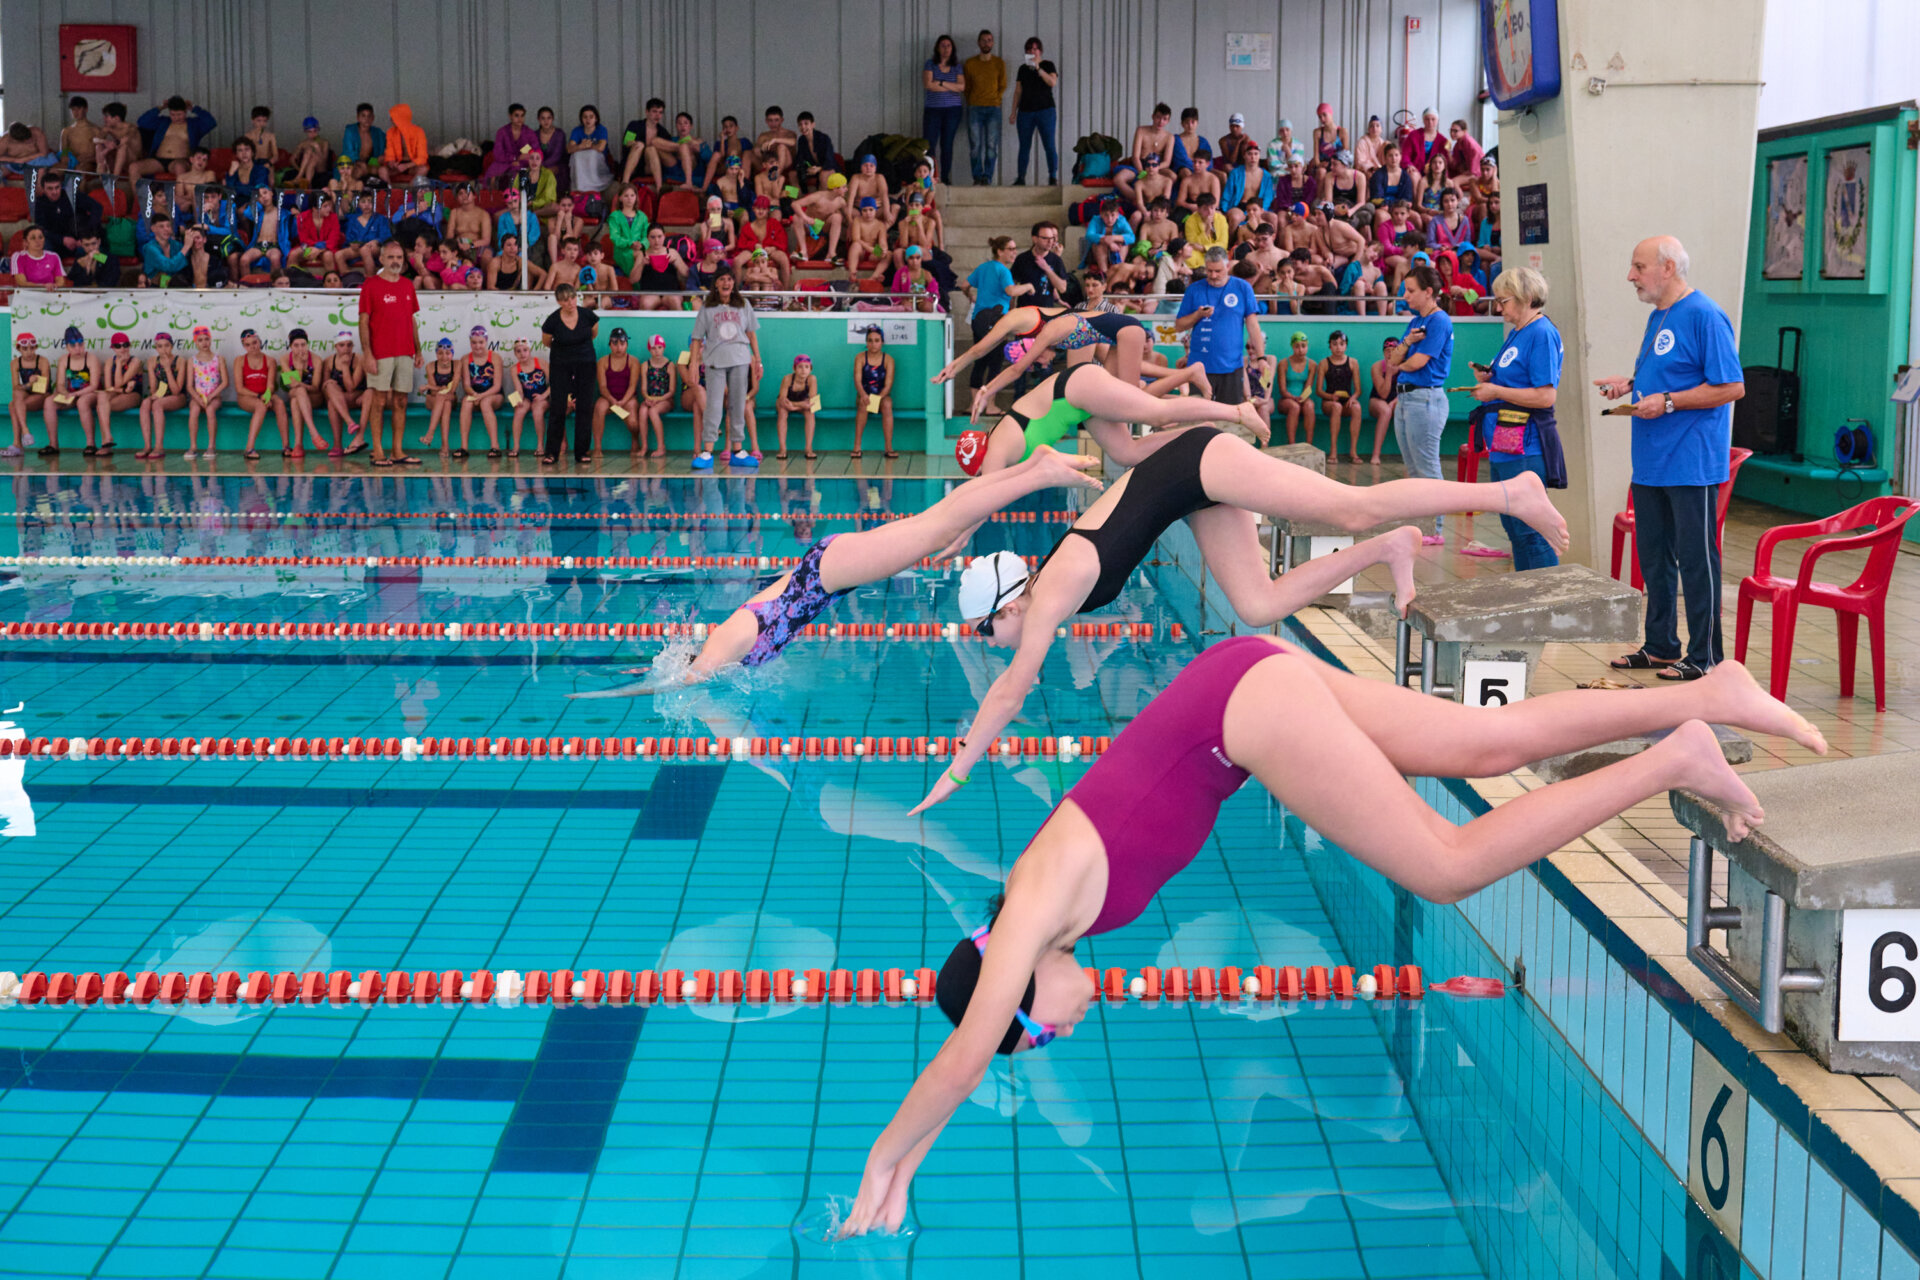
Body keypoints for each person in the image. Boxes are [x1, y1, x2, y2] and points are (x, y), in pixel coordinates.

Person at [839, 642, 1822, 1240]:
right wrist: (910, 1157)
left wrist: (890, 1160)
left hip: (1241, 716)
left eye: (1039, 1035)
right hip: (1238, 692)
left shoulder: (1028, 912)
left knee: (1445, 861)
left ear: (1017, 996)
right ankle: (1713, 694)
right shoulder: (1050, 913)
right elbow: (981, 1039)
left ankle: (1674, 756)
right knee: (1486, 743)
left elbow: (968, 1051)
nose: (1060, 1030)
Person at [926, 410, 1570, 815]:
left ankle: (1509, 491)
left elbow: (1013, 691)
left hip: (1201, 463)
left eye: (987, 631)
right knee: (1257, 603)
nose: (991, 643)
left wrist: (955, 773)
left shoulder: (1052, 592)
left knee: (1350, 505)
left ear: (1007, 606)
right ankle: (1388, 548)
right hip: (1188, 486)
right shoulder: (1047, 589)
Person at [583, 448, 1102, 695]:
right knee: (938, 526)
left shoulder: (723, 642)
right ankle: (1034, 467)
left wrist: (613, 694)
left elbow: (684, 681)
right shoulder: (730, 650)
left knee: (940, 525)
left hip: (826, 572)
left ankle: (1039, 474)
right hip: (829, 574)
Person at [1596, 236, 1745, 681]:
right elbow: (1666, 374)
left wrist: (1670, 402)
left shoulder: (1704, 315)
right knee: (1655, 557)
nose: (1630, 276)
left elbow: (1730, 386)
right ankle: (1661, 644)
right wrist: (1631, 384)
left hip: (1690, 461)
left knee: (1697, 559)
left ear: (1668, 267)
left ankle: (1706, 655)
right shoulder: (1659, 315)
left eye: (1639, 267)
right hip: (1651, 460)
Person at [1465, 267, 1565, 571]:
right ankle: (1528, 598)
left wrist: (1496, 389)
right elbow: (1514, 379)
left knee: (1529, 531)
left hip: (1527, 445)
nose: (1498, 308)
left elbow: (1546, 396)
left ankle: (1546, 601)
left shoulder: (1541, 333)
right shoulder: (1518, 333)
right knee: (1514, 529)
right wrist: (1491, 377)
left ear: (1527, 298)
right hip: (1505, 442)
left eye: (1503, 301)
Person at [1384, 264, 1453, 542]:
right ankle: (1420, 524)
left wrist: (1403, 358)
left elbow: (1415, 362)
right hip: (1406, 398)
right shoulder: (1415, 323)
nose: (1406, 296)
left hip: (1425, 398)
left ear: (1428, 292)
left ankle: (1435, 528)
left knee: (1427, 466)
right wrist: (1405, 349)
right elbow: (1393, 361)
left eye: (1411, 291)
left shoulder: (1439, 321)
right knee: (1413, 468)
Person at [357, 240, 424, 467]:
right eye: (391, 257)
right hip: (380, 352)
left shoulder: (407, 285)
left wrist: (418, 349)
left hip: (404, 351)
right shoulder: (371, 285)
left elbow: (411, 320)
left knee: (401, 401)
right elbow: (363, 321)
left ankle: (397, 451)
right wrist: (368, 353)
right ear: (382, 259)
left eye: (399, 258)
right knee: (379, 400)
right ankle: (377, 450)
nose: (395, 261)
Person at [686, 270, 760, 469]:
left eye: (729, 279)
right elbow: (696, 338)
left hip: (740, 360)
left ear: (734, 283)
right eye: (722, 279)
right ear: (716, 284)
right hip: (714, 362)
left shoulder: (744, 305)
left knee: (738, 404)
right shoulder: (707, 308)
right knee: (714, 406)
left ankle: (738, 450)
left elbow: (751, 335)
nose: (726, 283)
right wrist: (694, 363)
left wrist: (758, 361)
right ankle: (707, 451)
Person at [1173, 246, 1263, 406]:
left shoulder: (1242, 288)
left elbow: (1253, 325)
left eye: (1218, 271)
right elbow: (1179, 326)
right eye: (1209, 271)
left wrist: (1262, 357)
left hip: (1231, 367)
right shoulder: (1194, 289)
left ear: (1228, 267)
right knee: (1200, 421)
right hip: (1199, 368)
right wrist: (1198, 315)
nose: (1213, 276)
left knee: (1228, 420)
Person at [538, 282, 599, 466]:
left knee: (584, 407)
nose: (571, 302)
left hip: (586, 363)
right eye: (566, 300)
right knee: (557, 407)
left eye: (573, 298)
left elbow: (593, 334)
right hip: (560, 365)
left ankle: (582, 452)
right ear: (559, 302)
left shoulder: (588, 316)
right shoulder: (552, 321)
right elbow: (547, 341)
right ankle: (552, 453)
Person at [964, 236, 1031, 396]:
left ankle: (973, 403)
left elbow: (965, 285)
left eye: (1015, 249)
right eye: (1011, 249)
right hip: (995, 320)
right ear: (1000, 251)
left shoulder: (984, 267)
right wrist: (1028, 286)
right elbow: (1011, 291)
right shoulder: (1003, 270)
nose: (1015, 252)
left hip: (978, 319)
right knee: (995, 362)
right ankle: (990, 404)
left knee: (979, 360)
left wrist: (970, 297)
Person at [226, 327, 286, 460]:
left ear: (260, 342)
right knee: (260, 406)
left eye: (255, 343)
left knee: (280, 403)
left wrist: (267, 395)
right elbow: (239, 388)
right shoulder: (239, 361)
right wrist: (261, 397)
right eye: (248, 345)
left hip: (265, 394)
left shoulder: (270, 360)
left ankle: (286, 447)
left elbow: (270, 385)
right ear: (244, 346)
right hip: (247, 397)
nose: (252, 347)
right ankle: (249, 448)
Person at [43, 327, 102, 456]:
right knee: (49, 401)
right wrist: (65, 393)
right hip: (72, 394)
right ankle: (53, 444)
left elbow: (94, 385)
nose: (78, 349)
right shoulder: (64, 360)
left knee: (82, 402)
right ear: (67, 347)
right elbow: (59, 384)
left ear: (84, 344)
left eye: (80, 344)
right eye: (73, 345)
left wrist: (75, 394)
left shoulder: (91, 359)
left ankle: (91, 444)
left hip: (90, 394)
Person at [920, 35, 967, 185]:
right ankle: (930, 176)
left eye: (948, 46)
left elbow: (961, 87)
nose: (946, 49)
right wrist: (949, 85)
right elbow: (928, 84)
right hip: (933, 110)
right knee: (930, 144)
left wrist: (940, 82)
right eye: (943, 45)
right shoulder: (930, 64)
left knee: (947, 144)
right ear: (937, 48)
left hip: (952, 111)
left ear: (952, 48)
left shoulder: (957, 66)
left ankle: (945, 177)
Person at [1011, 38, 1058, 186]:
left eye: (1035, 49)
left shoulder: (1048, 65)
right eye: (1029, 49)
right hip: (1025, 112)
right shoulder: (1022, 69)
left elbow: (1052, 82)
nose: (1032, 52)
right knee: (1024, 145)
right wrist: (1013, 111)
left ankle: (1052, 176)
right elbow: (1018, 91)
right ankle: (1021, 177)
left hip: (1046, 111)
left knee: (1049, 144)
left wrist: (1038, 68)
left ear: (1040, 51)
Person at [962, 30, 1005, 186]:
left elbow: (1003, 84)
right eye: (983, 40)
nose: (987, 43)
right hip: (974, 108)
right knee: (975, 145)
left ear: (992, 43)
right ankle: (977, 176)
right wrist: (972, 100)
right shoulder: (970, 63)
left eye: (989, 40)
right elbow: (966, 87)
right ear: (978, 43)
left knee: (991, 146)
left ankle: (987, 176)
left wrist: (996, 99)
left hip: (993, 108)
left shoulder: (999, 63)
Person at [135, 332, 187, 460]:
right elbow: (153, 388)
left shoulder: (179, 361)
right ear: (156, 348)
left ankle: (159, 446)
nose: (163, 349)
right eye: (160, 346)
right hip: (161, 395)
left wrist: (168, 369)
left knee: (157, 404)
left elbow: (176, 390)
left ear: (172, 346)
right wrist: (155, 395)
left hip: (178, 397)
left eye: (167, 346)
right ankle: (147, 446)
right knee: (146, 403)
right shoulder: (152, 361)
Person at [181, 325, 227, 461]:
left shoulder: (219, 359)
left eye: (206, 339)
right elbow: (189, 386)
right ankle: (193, 446)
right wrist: (199, 399)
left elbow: (225, 382)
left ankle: (211, 445)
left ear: (211, 340)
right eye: (200, 340)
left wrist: (211, 396)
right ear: (195, 342)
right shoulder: (192, 360)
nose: (204, 343)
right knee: (194, 410)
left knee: (210, 410)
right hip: (197, 396)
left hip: (214, 396)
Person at [92, 332, 143, 453]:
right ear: (113, 348)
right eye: (118, 346)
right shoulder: (110, 361)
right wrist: (123, 390)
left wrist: (119, 365)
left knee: (101, 407)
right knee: (102, 396)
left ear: (129, 346)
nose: (123, 349)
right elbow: (110, 387)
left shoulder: (135, 362)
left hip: (133, 395)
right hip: (121, 392)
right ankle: (108, 438)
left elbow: (118, 383)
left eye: (125, 345)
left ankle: (106, 444)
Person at [594, 327, 641, 455]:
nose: (618, 347)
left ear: (627, 344)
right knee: (599, 406)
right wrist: (612, 400)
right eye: (615, 344)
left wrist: (621, 402)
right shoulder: (603, 362)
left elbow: (632, 386)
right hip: (609, 399)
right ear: (610, 345)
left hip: (627, 399)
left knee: (632, 423)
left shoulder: (633, 361)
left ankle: (635, 439)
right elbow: (602, 387)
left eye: (622, 344)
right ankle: (597, 448)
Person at [1318, 329, 1364, 463]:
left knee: (1357, 407)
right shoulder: (1324, 363)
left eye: (1342, 344)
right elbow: (1319, 391)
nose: (1338, 347)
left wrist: (1353, 398)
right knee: (1336, 406)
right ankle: (1333, 451)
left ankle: (1353, 451)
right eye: (1335, 344)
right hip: (1329, 402)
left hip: (1347, 401)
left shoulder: (1353, 362)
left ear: (1346, 345)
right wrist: (1330, 396)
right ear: (1330, 346)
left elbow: (1358, 390)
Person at [321, 332, 369, 456]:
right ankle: (347, 429)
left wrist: (345, 366)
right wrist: (330, 385)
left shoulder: (359, 359)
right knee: (330, 389)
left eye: (349, 345)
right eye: (342, 345)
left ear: (353, 346)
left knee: (333, 399)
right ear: (336, 346)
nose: (346, 349)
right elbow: (323, 388)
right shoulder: (328, 361)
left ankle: (348, 436)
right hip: (338, 399)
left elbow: (350, 388)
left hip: (355, 397)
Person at [851, 326, 896, 459]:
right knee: (864, 404)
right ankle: (857, 446)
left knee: (887, 404)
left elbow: (888, 385)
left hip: (882, 397)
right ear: (866, 342)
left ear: (882, 342)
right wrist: (864, 395)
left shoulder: (888, 360)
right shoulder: (860, 358)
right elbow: (857, 381)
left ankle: (888, 447)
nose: (873, 344)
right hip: (864, 396)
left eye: (877, 340)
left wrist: (878, 398)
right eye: (870, 340)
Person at [5, 334, 50, 458]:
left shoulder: (42, 361)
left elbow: (44, 388)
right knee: (16, 397)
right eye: (25, 349)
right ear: (19, 349)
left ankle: (18, 444)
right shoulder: (15, 363)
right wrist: (29, 383)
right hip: (26, 392)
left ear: (35, 348)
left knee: (13, 405)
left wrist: (34, 383)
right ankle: (25, 431)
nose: (29, 352)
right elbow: (16, 386)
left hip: (42, 394)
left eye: (32, 348)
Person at [506, 337, 552, 456]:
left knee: (537, 411)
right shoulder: (515, 369)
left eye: (525, 350)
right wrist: (518, 400)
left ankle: (540, 445)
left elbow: (555, 384)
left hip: (543, 396)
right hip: (527, 397)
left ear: (530, 350)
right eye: (518, 351)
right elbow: (519, 389)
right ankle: (516, 446)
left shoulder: (541, 363)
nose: (522, 354)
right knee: (519, 411)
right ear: (515, 353)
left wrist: (543, 396)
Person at [32, 171, 93, 255]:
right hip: (56, 243)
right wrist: (62, 240)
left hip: (77, 242)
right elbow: (41, 230)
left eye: (57, 187)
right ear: (43, 189)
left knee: (98, 256)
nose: (54, 192)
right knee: (44, 245)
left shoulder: (73, 199)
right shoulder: (40, 203)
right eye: (50, 188)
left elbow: (86, 221)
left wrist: (84, 239)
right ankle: (48, 267)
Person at [1275, 331, 1317, 447]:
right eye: (1297, 346)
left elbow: (1308, 387)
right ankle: (1292, 445)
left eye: (1303, 346)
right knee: (1294, 407)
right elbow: (1282, 390)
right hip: (1286, 399)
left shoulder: (1312, 365)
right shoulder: (1283, 364)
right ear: (1292, 347)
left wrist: (1302, 398)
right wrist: (1293, 397)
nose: (1300, 350)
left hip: (1302, 398)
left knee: (1309, 405)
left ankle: (1309, 444)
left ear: (1307, 347)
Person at [638, 334, 677, 458]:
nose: (657, 351)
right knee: (643, 410)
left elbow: (671, 391)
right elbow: (643, 389)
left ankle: (661, 447)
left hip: (666, 400)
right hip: (650, 399)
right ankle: (644, 446)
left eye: (660, 347)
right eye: (654, 348)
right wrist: (648, 398)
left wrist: (657, 400)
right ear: (649, 350)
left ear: (664, 348)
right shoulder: (645, 365)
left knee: (653, 412)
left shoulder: (670, 365)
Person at [774, 355, 818, 461]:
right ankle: (782, 449)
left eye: (806, 367)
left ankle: (808, 448)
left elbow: (813, 402)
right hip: (785, 404)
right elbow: (782, 400)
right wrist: (800, 405)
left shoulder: (812, 379)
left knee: (810, 413)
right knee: (782, 412)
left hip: (797, 404)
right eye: (800, 367)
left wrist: (795, 406)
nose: (803, 370)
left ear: (810, 369)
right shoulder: (788, 379)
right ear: (794, 368)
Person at [484, 104, 537, 186]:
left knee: (520, 174)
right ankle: (493, 197)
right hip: (503, 163)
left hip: (523, 164)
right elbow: (498, 154)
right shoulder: (502, 132)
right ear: (510, 116)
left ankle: (517, 197)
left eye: (522, 116)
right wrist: (514, 158)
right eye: (516, 116)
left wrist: (521, 162)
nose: (520, 119)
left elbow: (535, 151)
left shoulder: (530, 133)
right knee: (492, 175)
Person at [380, 104, 429, 187]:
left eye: (394, 117)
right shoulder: (390, 132)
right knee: (382, 170)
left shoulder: (418, 132)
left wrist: (406, 166)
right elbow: (389, 154)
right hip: (398, 166)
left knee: (424, 169)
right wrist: (392, 163)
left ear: (401, 117)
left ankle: (409, 192)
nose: (391, 120)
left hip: (412, 165)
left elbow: (422, 158)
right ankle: (390, 193)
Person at [568, 105, 613, 191]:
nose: (588, 120)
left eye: (591, 117)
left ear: (596, 118)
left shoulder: (601, 129)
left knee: (592, 153)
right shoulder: (577, 130)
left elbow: (601, 147)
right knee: (576, 155)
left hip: (598, 162)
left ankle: (594, 184)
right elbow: (569, 149)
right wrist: (581, 146)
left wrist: (589, 146)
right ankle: (580, 186)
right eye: (585, 117)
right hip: (581, 161)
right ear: (581, 119)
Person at [10, 226, 68, 290]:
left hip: (49, 295)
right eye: (33, 238)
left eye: (40, 237)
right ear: (25, 242)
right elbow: (21, 282)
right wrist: (44, 286)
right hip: (27, 295)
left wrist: (53, 286)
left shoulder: (54, 256)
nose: (37, 241)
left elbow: (61, 282)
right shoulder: (18, 256)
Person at [340, 103, 386, 181]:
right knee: (358, 171)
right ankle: (352, 191)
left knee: (384, 170)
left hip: (369, 163)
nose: (366, 119)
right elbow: (348, 152)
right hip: (352, 164)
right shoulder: (350, 131)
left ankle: (389, 190)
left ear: (373, 118)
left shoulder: (378, 133)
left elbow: (385, 150)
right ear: (358, 118)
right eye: (363, 116)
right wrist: (359, 163)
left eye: (369, 116)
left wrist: (382, 157)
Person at [290, 116, 331, 187]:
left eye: (315, 131)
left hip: (321, 168)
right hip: (308, 167)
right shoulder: (303, 143)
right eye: (310, 132)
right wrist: (300, 169)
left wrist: (317, 148)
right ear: (305, 131)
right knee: (311, 158)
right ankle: (308, 184)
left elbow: (324, 160)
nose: (313, 134)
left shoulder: (324, 142)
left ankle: (298, 177)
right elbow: (292, 159)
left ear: (318, 130)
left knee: (312, 154)